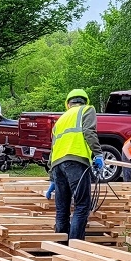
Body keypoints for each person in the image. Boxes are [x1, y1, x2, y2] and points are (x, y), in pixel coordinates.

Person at [50, 89, 103, 241]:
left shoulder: (60, 120)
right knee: (81, 205)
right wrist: (98, 154)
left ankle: (60, 246)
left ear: (68, 104)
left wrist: (52, 178)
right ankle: (75, 247)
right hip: (76, 161)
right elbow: (89, 131)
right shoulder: (87, 109)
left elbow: (53, 146)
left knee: (62, 209)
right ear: (85, 101)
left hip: (57, 165)